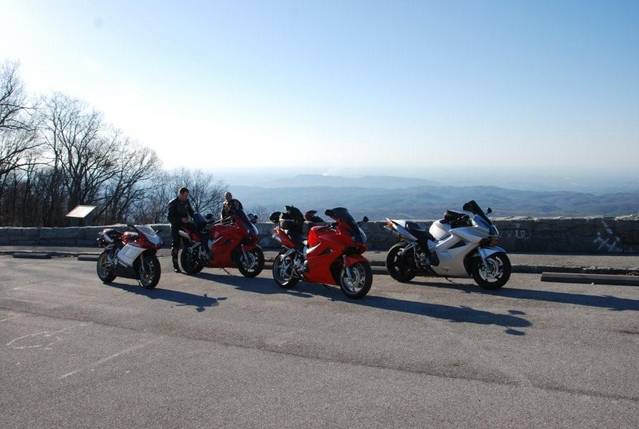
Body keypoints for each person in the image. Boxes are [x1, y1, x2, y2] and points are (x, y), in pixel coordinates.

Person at [167, 187, 195, 273]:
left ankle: (188, 264)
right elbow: (169, 218)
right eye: (185, 195)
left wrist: (197, 217)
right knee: (176, 245)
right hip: (175, 226)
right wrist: (180, 219)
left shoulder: (187, 201)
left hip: (185, 226)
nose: (186, 197)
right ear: (180, 194)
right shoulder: (173, 203)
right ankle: (176, 266)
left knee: (188, 244)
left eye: (187, 195)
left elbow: (192, 212)